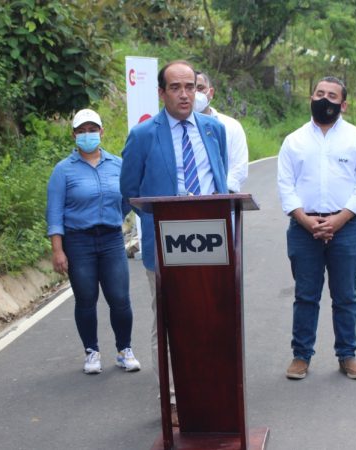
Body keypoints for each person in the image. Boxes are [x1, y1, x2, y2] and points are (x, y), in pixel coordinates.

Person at [120, 60, 228, 424]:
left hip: (213, 242)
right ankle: (172, 400)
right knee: (168, 322)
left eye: (191, 87)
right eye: (177, 88)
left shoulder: (214, 129)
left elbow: (220, 182)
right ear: (162, 93)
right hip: (165, 244)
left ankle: (211, 389)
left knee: (211, 317)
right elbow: (131, 190)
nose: (185, 94)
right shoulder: (144, 135)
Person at [277, 76, 356, 381]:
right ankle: (301, 356)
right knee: (306, 295)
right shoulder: (294, 140)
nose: (324, 99)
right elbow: (285, 184)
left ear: (343, 104)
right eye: (319, 93)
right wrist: (305, 219)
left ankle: (347, 355)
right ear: (311, 97)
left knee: (345, 295)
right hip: (303, 227)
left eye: (332, 96)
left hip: (346, 227)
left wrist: (340, 219)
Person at [46, 108, 141, 375]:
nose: (88, 135)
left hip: (111, 238)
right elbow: (54, 212)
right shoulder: (63, 171)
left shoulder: (116, 165)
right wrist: (57, 249)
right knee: (86, 299)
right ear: (74, 135)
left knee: (120, 298)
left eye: (92, 129)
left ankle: (124, 350)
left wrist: (112, 217)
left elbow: (126, 200)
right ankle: (92, 352)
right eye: (82, 131)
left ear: (101, 132)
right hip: (79, 242)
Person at [194, 71, 249, 192]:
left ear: (211, 92)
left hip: (223, 201)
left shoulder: (231, 127)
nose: (195, 93)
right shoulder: (177, 127)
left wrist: (220, 192)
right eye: (190, 88)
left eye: (200, 88)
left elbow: (240, 167)